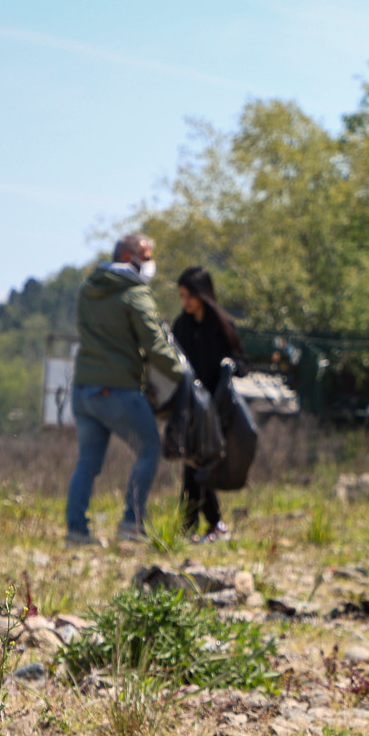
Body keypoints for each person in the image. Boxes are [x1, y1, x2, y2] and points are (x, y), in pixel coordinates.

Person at [66, 233, 180, 546]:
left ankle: (76, 530)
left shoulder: (89, 289)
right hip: (116, 391)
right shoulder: (135, 293)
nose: (150, 261)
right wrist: (181, 376)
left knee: (88, 461)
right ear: (129, 258)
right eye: (146, 254)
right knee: (149, 448)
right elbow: (154, 343)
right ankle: (132, 523)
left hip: (83, 391)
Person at [171, 266, 243, 542]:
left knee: (200, 465)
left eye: (190, 295)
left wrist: (230, 367)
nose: (185, 301)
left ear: (203, 295)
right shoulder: (181, 326)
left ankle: (200, 525)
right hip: (190, 408)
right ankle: (208, 524)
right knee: (194, 465)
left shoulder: (223, 327)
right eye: (181, 296)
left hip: (217, 409)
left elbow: (243, 364)